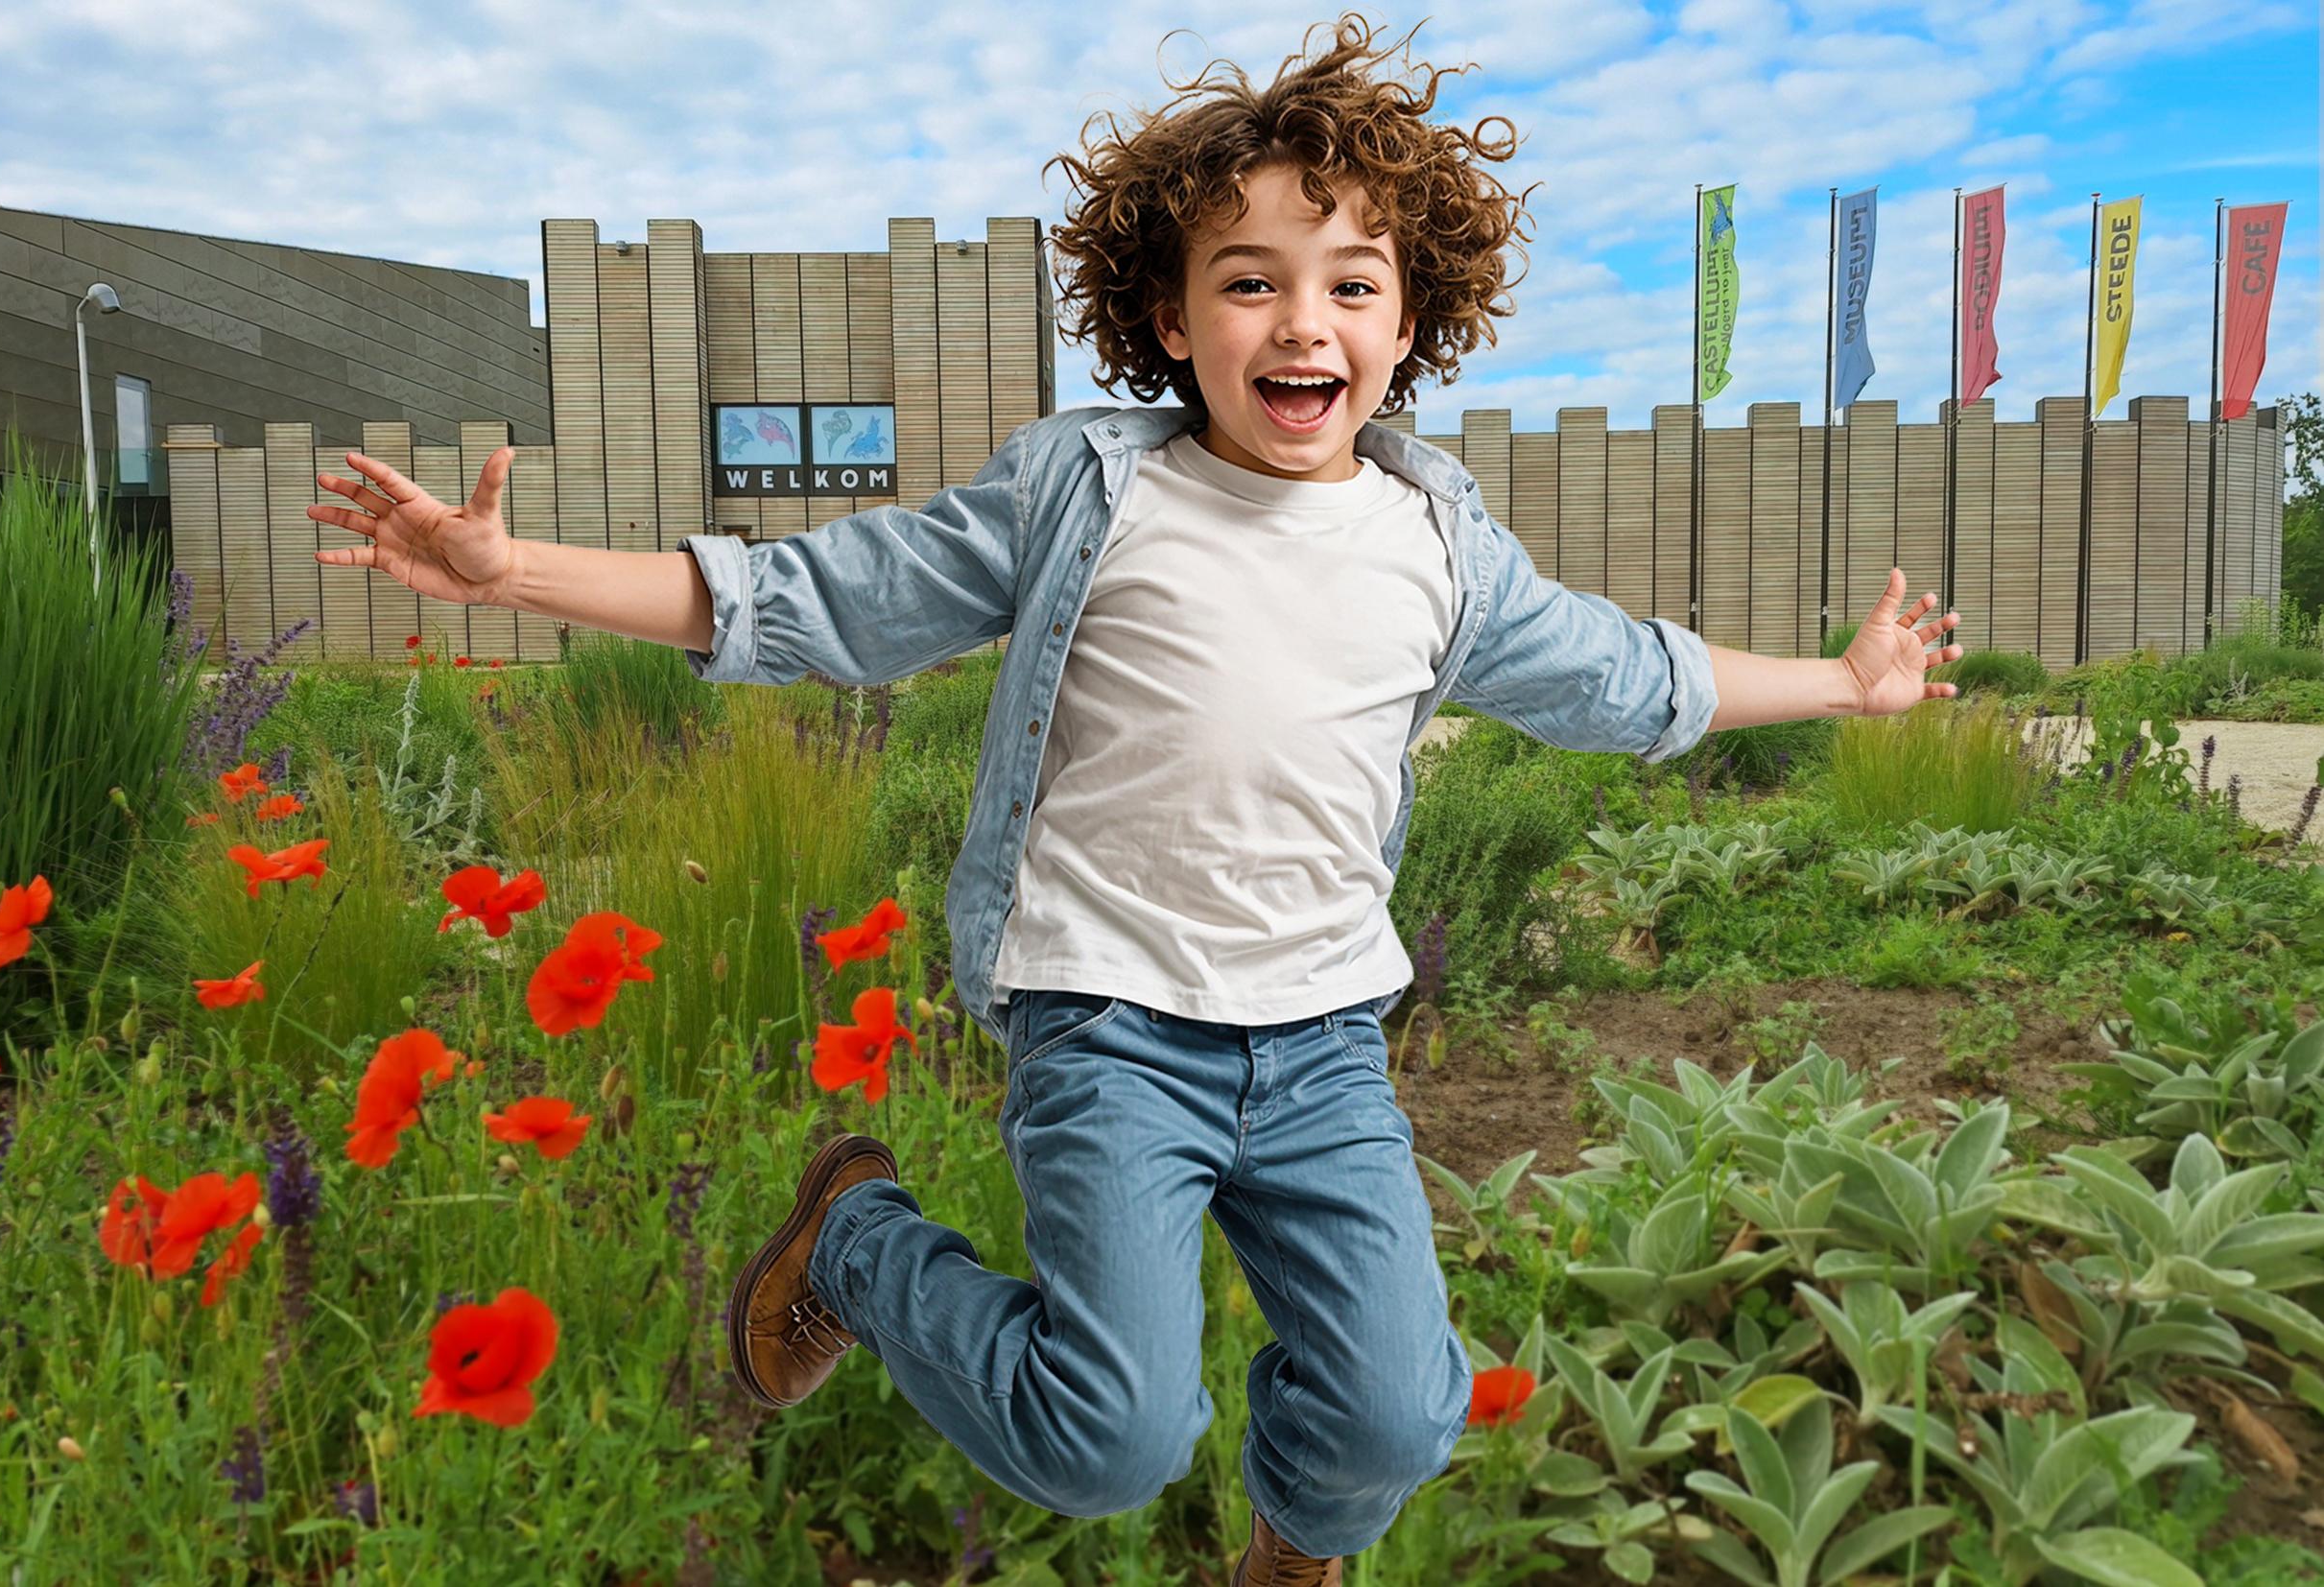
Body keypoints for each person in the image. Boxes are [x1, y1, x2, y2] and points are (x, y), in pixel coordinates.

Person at [307, 16, 1961, 1580]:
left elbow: (1627, 676)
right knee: (1109, 1437)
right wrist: (515, 573)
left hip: (1322, 1047)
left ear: (1406, 324)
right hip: (1108, 1026)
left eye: (1351, 283)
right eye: (1251, 282)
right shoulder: (1090, 495)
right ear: (1172, 320)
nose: (1302, 322)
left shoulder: (1439, 546)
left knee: (1396, 1415)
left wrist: (1845, 683)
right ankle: (858, 1240)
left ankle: (1293, 1544)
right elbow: (826, 598)